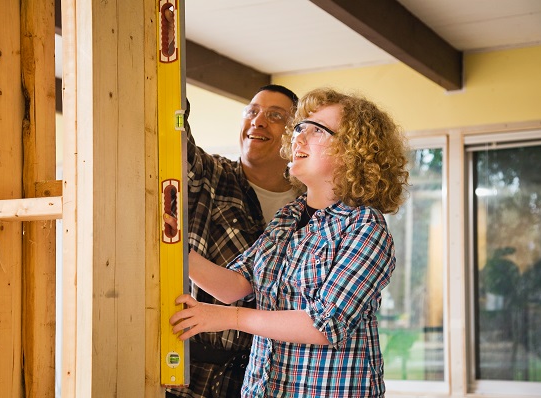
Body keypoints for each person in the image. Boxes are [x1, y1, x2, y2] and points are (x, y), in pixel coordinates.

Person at [170, 88, 410, 397]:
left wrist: (229, 319)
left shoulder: (365, 227)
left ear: (354, 152)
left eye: (316, 130)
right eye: (299, 128)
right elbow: (234, 287)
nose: (298, 137)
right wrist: (178, 248)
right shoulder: (287, 218)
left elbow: (325, 325)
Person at [165, 85, 301, 398]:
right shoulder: (211, 174)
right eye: (252, 112)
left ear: (296, 136)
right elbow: (174, 133)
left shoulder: (309, 210)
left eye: (275, 116)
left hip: (275, 379)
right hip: (194, 378)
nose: (259, 121)